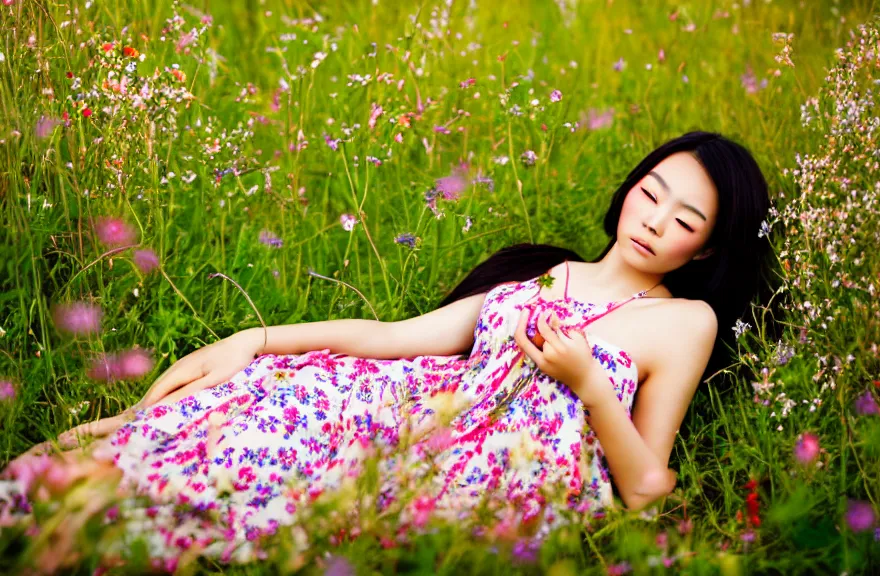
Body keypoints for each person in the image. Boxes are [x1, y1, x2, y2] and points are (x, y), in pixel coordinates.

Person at [0, 130, 776, 568]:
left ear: (707, 248)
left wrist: (589, 385)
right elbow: (397, 340)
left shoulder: (683, 324)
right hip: (408, 417)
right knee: (260, 408)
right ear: (631, 186)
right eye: (652, 192)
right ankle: (88, 473)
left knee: (285, 517)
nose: (654, 218)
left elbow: (646, 487)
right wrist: (256, 336)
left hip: (499, 481)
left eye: (685, 218)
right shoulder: (547, 273)